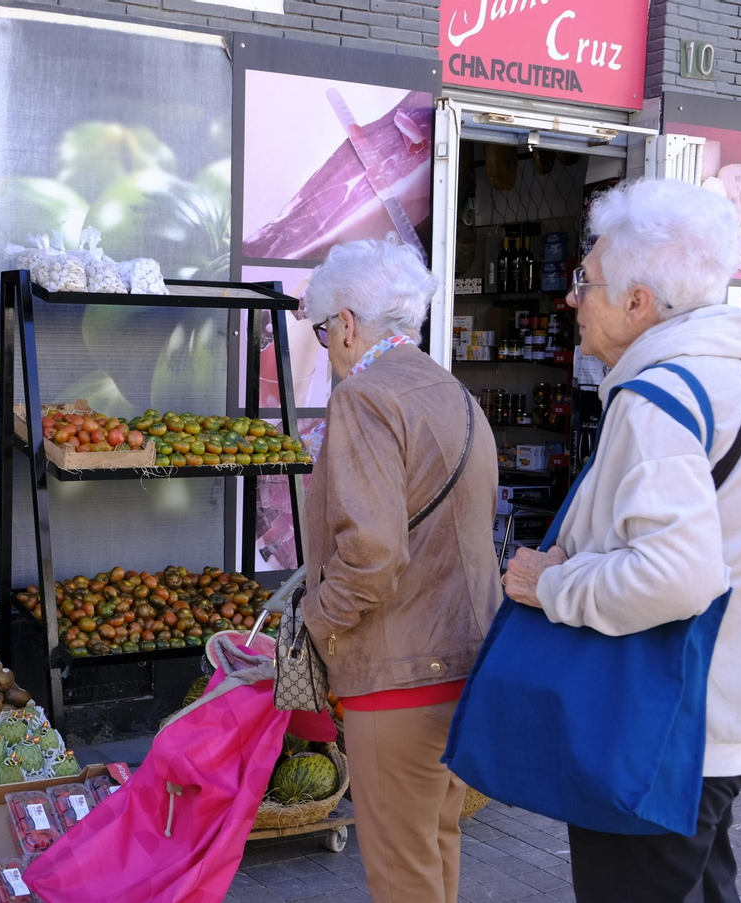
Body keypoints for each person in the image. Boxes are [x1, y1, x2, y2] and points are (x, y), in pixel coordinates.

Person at [502, 179, 741, 902]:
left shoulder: (659, 401)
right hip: (728, 719)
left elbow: (676, 575)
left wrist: (548, 582)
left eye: (587, 282)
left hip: (663, 730)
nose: (571, 298)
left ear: (638, 302)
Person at [298, 239, 502, 903]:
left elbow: (372, 552)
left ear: (349, 324)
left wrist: (315, 620)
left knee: (402, 875)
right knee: (434, 848)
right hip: (466, 664)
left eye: (325, 328)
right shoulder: (453, 392)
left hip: (398, 674)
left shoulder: (364, 398)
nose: (329, 344)